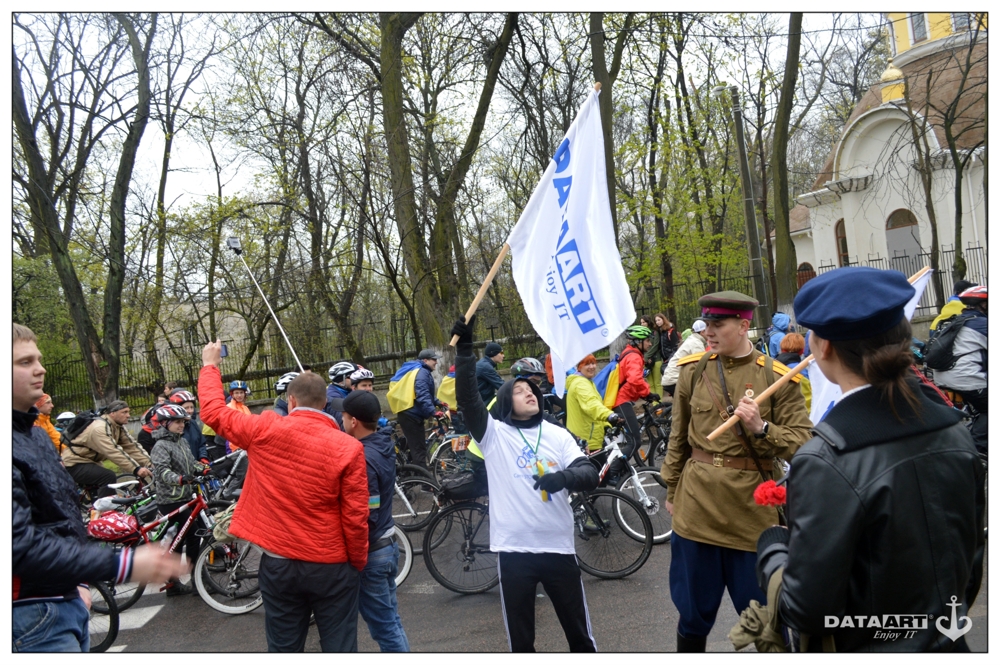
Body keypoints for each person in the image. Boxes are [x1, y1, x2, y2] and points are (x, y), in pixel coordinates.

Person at [755, 267, 985, 651]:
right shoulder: (955, 432)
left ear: (822, 346)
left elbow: (806, 608)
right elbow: (968, 571)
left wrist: (774, 547)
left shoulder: (828, 458)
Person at [13, 323, 187, 652]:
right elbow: (17, 545)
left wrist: (75, 581)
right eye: (24, 362)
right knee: (107, 479)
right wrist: (123, 564)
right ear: (115, 412)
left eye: (38, 359)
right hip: (29, 612)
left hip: (59, 599)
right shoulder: (96, 428)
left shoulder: (31, 432)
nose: (41, 369)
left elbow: (130, 448)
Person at [661, 290, 813, 652]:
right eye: (706, 324)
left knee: (763, 617)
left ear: (744, 325)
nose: (708, 332)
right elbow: (678, 437)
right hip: (696, 508)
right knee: (693, 614)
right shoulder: (692, 370)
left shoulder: (777, 377)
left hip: (751, 514)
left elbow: (804, 444)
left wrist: (762, 427)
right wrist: (670, 491)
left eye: (718, 324)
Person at [198, 344, 369, 652]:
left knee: (284, 648)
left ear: (290, 401)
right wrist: (356, 562)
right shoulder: (348, 447)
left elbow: (212, 412)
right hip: (331, 566)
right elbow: (356, 516)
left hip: (280, 565)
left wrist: (210, 366)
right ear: (326, 401)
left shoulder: (264, 428)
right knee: (341, 647)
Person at [452, 315, 599, 652]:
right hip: (514, 550)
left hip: (558, 548)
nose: (528, 392)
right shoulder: (494, 435)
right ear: (506, 401)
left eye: (531, 389)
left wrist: (564, 477)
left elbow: (588, 474)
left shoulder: (557, 434)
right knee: (522, 643)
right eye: (518, 390)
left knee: (580, 638)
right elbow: (469, 400)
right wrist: (464, 352)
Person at [340, 390, 410, 652]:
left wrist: (356, 556)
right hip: (387, 546)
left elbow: (368, 510)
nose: (342, 420)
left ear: (354, 421)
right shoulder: (381, 443)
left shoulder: (364, 458)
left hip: (373, 553)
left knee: (385, 628)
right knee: (391, 622)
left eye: (344, 416)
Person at [149, 404, 212, 596]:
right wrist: (180, 479)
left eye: (183, 422)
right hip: (170, 499)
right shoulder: (161, 446)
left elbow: (191, 463)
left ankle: (191, 579)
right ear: (165, 423)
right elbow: (161, 472)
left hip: (185, 496)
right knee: (182, 538)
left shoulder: (181, 441)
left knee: (190, 537)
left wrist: (204, 469)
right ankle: (178, 581)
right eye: (177, 422)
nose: (181, 425)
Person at [930, 285, 987, 452]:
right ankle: (978, 450)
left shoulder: (958, 320)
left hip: (945, 376)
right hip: (966, 378)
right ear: (984, 305)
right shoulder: (982, 324)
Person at [62, 400, 152, 497]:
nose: (128, 415)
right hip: (74, 463)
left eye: (128, 412)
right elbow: (113, 451)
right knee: (108, 477)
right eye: (124, 412)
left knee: (100, 484)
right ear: (112, 413)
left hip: (90, 461)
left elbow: (132, 447)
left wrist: (150, 463)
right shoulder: (99, 428)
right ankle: (106, 511)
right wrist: (136, 468)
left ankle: (97, 505)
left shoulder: (117, 426)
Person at [613, 325, 659, 459]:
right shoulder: (634, 357)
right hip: (621, 401)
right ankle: (614, 472)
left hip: (623, 399)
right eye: (648, 340)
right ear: (639, 342)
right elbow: (634, 379)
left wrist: (643, 393)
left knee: (630, 439)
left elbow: (631, 380)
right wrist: (647, 393)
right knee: (635, 442)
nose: (650, 344)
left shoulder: (630, 353)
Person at [397, 349, 445, 469]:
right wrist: (433, 412)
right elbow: (422, 394)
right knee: (419, 449)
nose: (436, 362)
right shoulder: (422, 373)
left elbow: (426, 393)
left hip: (409, 414)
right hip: (411, 416)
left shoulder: (422, 371)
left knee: (417, 446)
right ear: (425, 360)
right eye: (434, 360)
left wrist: (438, 402)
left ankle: (413, 472)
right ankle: (424, 481)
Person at [565, 354, 622, 451]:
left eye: (593, 363)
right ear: (579, 367)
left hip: (591, 438)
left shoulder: (587, 382)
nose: (591, 367)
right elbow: (591, 405)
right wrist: (610, 415)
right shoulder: (580, 384)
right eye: (587, 364)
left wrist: (606, 426)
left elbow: (594, 408)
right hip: (586, 441)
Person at [661, 320, 708, 398]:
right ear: (703, 332)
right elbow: (701, 366)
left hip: (671, 378)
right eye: (708, 331)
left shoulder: (692, 339)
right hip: (675, 379)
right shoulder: (696, 343)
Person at [167, 389, 209, 463]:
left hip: (197, 467)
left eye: (192, 407)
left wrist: (203, 457)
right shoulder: (170, 428)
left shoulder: (193, 423)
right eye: (186, 408)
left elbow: (201, 444)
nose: (190, 411)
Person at [327, 361, 357, 427]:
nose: (355, 379)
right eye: (351, 377)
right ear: (340, 379)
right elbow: (344, 425)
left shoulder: (349, 390)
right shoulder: (333, 397)